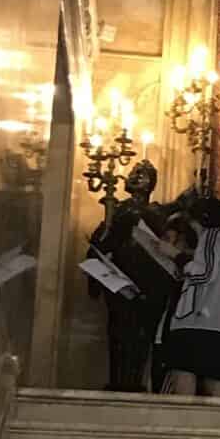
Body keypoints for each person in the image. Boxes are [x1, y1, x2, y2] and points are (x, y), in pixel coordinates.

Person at [87, 159, 175, 392]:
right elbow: (101, 242)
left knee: (142, 339)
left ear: (152, 183)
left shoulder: (157, 213)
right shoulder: (118, 210)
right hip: (121, 284)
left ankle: (135, 382)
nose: (134, 176)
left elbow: (166, 246)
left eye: (142, 174)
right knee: (118, 335)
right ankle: (117, 381)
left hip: (148, 286)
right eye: (133, 172)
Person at [156, 192, 220, 398]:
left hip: (200, 324)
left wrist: (174, 254)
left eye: (193, 224)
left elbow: (204, 274)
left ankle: (182, 420)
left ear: (203, 220)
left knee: (182, 375)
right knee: (218, 384)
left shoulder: (212, 235)